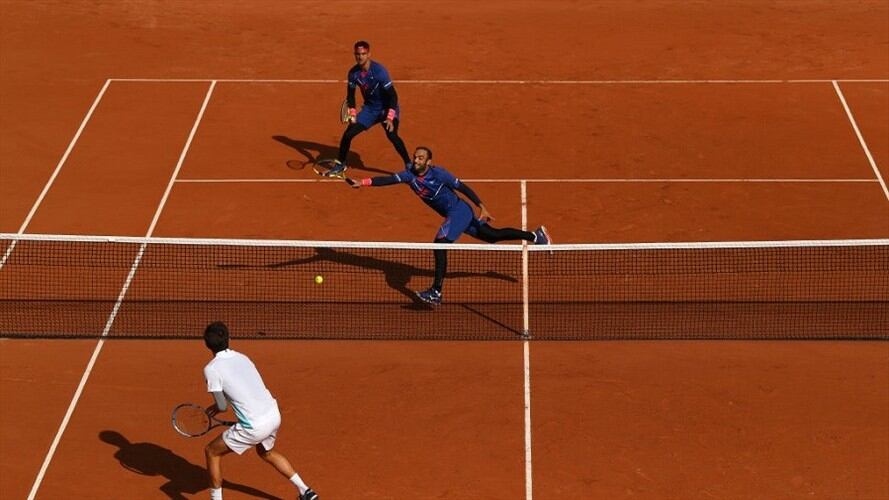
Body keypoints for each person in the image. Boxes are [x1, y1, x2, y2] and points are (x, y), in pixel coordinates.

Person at [346, 146, 552, 305]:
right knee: (492, 236)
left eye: (420, 158)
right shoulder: (409, 175)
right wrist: (363, 183)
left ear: (429, 162)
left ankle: (436, 291)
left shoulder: (439, 174)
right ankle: (535, 236)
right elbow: (388, 180)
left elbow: (462, 188)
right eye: (415, 157)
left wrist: (481, 206)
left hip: (459, 211)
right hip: (456, 214)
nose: (416, 160)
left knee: (440, 243)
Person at [201, 322, 319, 500]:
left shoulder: (211, 369)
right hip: (273, 414)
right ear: (228, 338)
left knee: (212, 451)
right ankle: (306, 492)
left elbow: (222, 406)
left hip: (254, 425)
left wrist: (215, 408)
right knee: (266, 452)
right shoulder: (243, 357)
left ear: (206, 344)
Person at [326, 40, 412, 177]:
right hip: (370, 109)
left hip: (387, 108)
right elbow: (350, 96)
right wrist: (352, 114)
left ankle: (409, 165)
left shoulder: (380, 71)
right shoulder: (353, 73)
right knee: (348, 135)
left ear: (369, 54)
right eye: (357, 54)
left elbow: (393, 96)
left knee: (392, 135)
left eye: (363, 54)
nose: (360, 57)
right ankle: (341, 164)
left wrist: (390, 117)